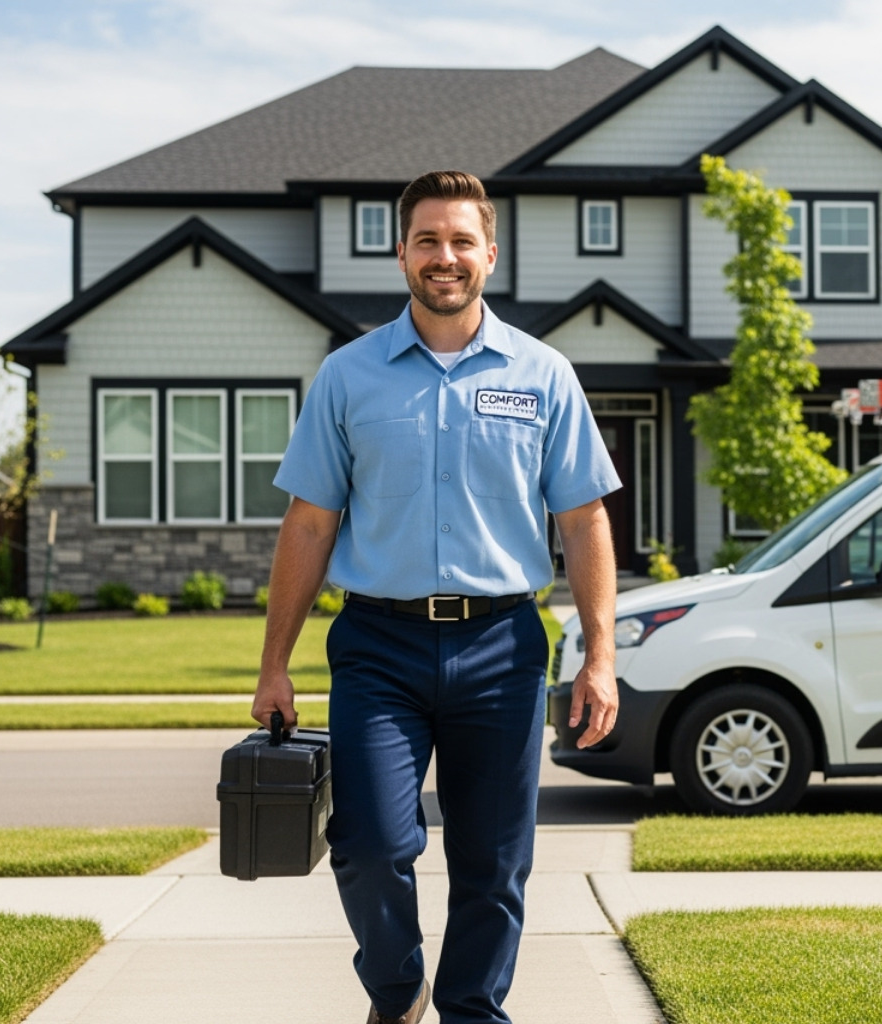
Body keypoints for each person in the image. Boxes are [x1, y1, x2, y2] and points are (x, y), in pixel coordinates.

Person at [252, 169, 620, 1024]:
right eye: (428, 240)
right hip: (380, 647)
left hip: (502, 646)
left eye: (462, 241)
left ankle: (472, 1012)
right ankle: (397, 990)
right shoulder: (348, 378)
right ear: (401, 253)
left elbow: (584, 519)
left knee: (495, 862)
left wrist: (599, 656)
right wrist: (274, 664)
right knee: (371, 843)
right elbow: (309, 526)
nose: (444, 257)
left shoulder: (545, 374)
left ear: (490, 253)